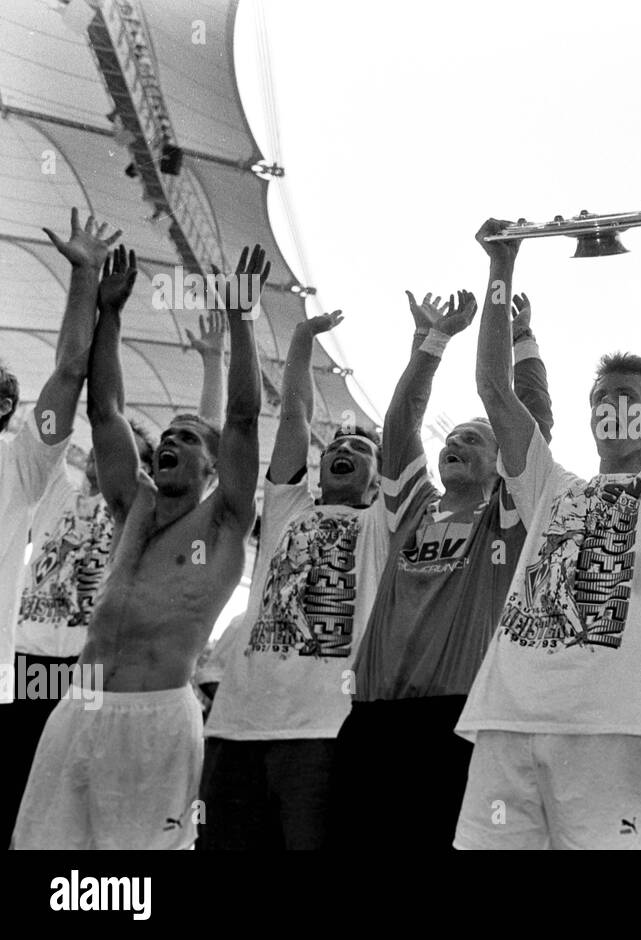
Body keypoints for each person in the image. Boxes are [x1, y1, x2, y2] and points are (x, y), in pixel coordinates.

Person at [453, 198, 641, 849]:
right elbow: (495, 389)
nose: (611, 403)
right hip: (507, 724)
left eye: (627, 395)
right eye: (601, 395)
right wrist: (500, 268)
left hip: (614, 736)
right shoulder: (550, 483)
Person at [12, 244, 268, 849]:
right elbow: (106, 411)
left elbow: (242, 415)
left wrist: (240, 315)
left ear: (212, 464)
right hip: (79, 708)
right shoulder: (134, 506)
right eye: (168, 435)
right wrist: (110, 314)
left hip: (157, 718)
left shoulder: (226, 521)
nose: (171, 439)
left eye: (188, 436)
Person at [329, 289, 553, 852]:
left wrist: (522, 340)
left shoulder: (505, 515)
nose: (454, 443)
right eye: (450, 440)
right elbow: (400, 425)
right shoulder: (411, 508)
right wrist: (433, 341)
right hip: (372, 716)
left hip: (454, 720)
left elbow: (530, 422)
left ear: (498, 458)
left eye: (472, 439)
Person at [200, 299, 407, 850]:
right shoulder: (289, 509)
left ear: (375, 478)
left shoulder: (380, 529)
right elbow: (292, 413)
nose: (343, 449)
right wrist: (301, 339)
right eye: (337, 445)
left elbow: (403, 441)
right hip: (234, 729)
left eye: (361, 449)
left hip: (323, 734)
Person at [1, 210, 119, 846]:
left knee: (49, 802)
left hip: (59, 666)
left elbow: (71, 376)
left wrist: (85, 279)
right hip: (23, 655)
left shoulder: (24, 465)